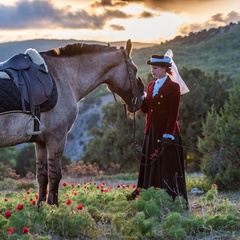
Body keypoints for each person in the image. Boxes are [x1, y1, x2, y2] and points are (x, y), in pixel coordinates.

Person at [132, 51, 189, 205]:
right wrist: (141, 97)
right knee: (151, 164)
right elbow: (145, 110)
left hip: (167, 134)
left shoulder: (173, 87)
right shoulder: (150, 86)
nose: (152, 70)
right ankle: (149, 196)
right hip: (151, 131)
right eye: (152, 68)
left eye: (155, 68)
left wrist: (168, 134)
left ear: (164, 69)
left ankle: (171, 200)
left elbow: (173, 113)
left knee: (167, 166)